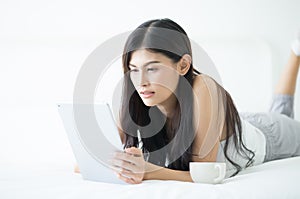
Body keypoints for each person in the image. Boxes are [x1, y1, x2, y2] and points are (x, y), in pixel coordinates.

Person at [75, 19, 300, 184]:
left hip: (268, 137)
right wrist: (121, 163)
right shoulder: (139, 96)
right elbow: (84, 164)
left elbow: (206, 173)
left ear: (183, 66)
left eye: (152, 69)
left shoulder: (204, 87)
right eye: (134, 70)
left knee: (281, 117)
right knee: (280, 110)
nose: (140, 81)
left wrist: (147, 170)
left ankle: (295, 52)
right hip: (232, 123)